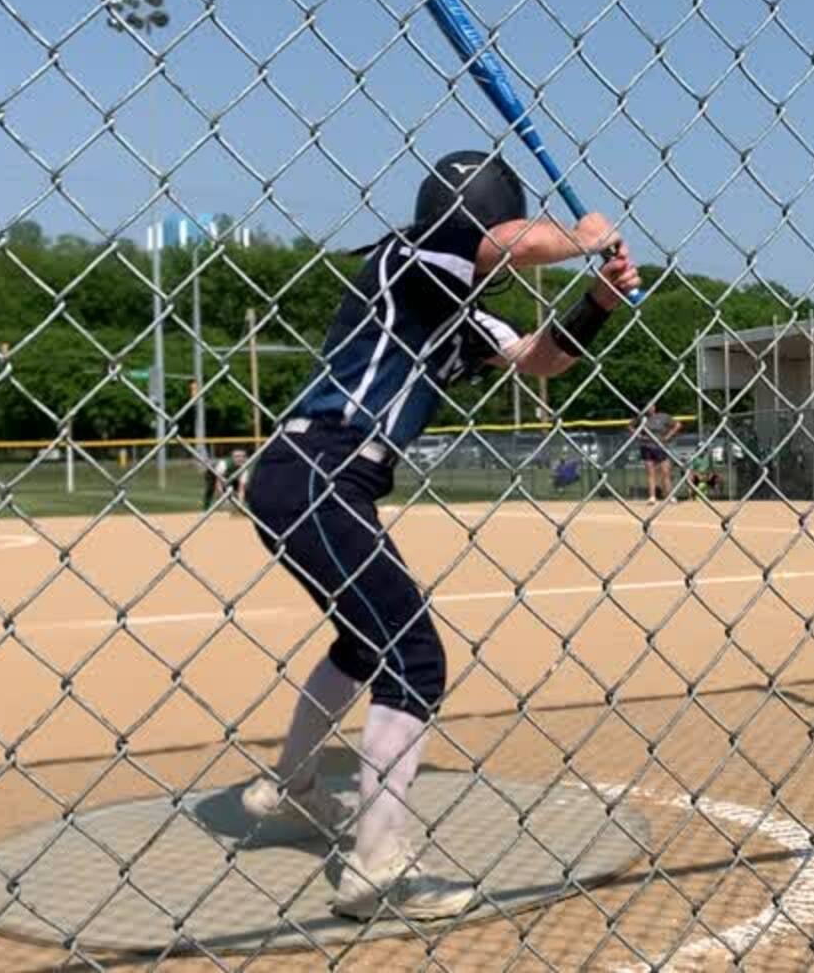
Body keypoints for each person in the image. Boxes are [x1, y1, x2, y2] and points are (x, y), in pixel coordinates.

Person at [240, 149, 641, 919]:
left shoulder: (466, 306)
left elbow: (539, 361)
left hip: (321, 477)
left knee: (367, 641)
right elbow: (513, 243)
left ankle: (289, 785)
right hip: (322, 466)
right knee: (414, 656)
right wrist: (584, 235)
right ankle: (376, 873)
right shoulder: (411, 253)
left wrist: (596, 299)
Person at [631, 403, 681, 505]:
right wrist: (639, 436)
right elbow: (630, 426)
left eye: (651, 406)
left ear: (655, 407)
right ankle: (652, 497)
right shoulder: (642, 418)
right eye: (648, 407)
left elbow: (677, 425)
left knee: (665, 472)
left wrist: (668, 436)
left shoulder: (662, 416)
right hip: (646, 446)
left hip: (660, 447)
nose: (650, 409)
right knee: (650, 473)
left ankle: (669, 496)